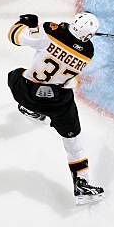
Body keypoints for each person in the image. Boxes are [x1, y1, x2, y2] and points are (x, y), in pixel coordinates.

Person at [6, 12, 105, 205]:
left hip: (25, 92)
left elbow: (14, 36)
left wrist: (30, 26)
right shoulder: (88, 52)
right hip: (56, 103)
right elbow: (69, 74)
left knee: (14, 74)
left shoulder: (50, 33)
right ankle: (82, 183)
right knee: (74, 143)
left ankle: (31, 109)